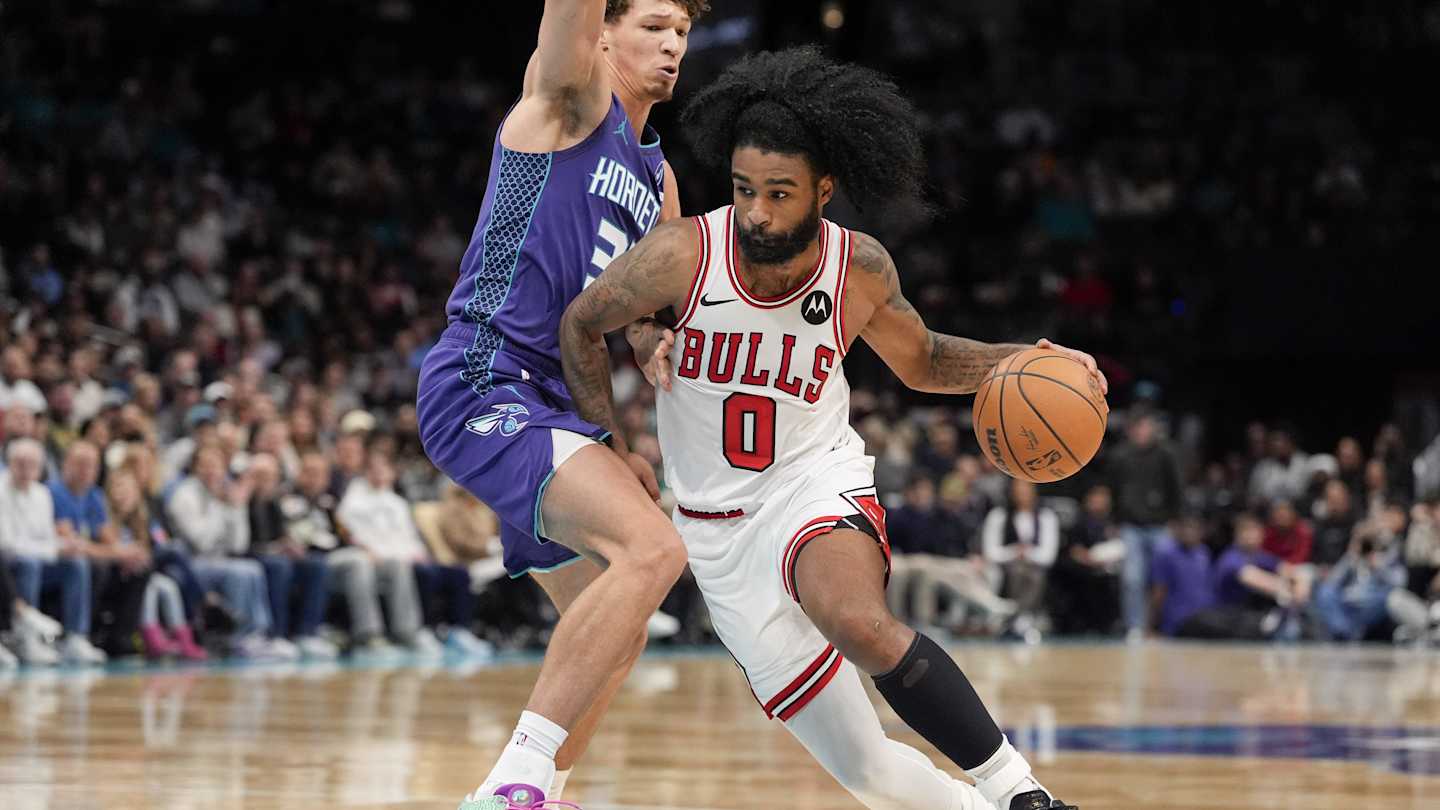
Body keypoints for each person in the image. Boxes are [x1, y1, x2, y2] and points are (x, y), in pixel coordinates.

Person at [559, 47, 1095, 810]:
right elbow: (582, 324)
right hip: (714, 532)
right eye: (744, 189)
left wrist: (1027, 360)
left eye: (779, 193)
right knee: (867, 771)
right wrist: (613, 446)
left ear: (824, 190)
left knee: (856, 621)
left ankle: (1022, 793)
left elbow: (924, 360)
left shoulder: (858, 268)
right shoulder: (683, 255)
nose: (757, 211)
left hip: (813, 483)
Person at [415, 2, 708, 804]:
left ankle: (545, 788)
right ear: (603, 33)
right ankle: (509, 783)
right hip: (485, 373)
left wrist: (652, 342)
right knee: (653, 550)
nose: (672, 45)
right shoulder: (572, 100)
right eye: (653, 26)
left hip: (556, 403)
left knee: (619, 616)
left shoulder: (660, 180)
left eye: (682, 33)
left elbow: (638, 311)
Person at [1, 437, 107, 663]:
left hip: (38, 559)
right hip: (12, 564)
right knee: (29, 563)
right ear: (10, 464)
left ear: (40, 468)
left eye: (32, 464)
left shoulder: (42, 494)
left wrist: (64, 546)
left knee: (76, 563)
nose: (26, 470)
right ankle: (28, 637)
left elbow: (48, 538)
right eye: (20, 463)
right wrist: (52, 550)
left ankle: (75, 637)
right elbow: (8, 545)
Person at [981, 479, 1061, 640]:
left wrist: (1028, 553)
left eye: (1025, 487)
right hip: (1005, 566)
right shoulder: (998, 515)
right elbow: (990, 552)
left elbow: (1048, 556)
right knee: (1018, 570)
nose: (1021, 492)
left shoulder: (1046, 516)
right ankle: (1019, 618)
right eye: (1017, 488)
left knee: (1033, 573)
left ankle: (1018, 619)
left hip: (1035, 566)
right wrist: (1014, 552)